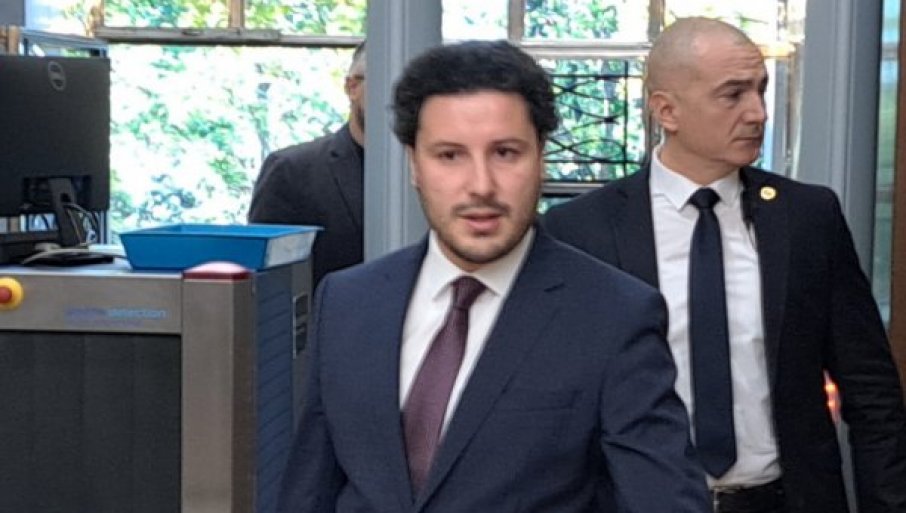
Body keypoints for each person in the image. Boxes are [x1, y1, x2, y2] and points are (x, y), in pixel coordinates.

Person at [277, 40, 710, 513]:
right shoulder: (347, 302)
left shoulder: (614, 316)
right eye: (450, 156)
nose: (481, 185)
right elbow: (309, 491)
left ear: (540, 157)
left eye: (505, 153)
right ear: (414, 164)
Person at [544, 17, 906, 513]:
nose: (757, 113)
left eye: (760, 90)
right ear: (666, 110)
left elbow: (872, 393)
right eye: (733, 94)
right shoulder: (581, 231)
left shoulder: (807, 218)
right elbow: (558, 407)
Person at [248, 42, 366, 286]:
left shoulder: (437, 169)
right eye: (389, 85)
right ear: (352, 87)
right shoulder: (292, 171)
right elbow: (270, 289)